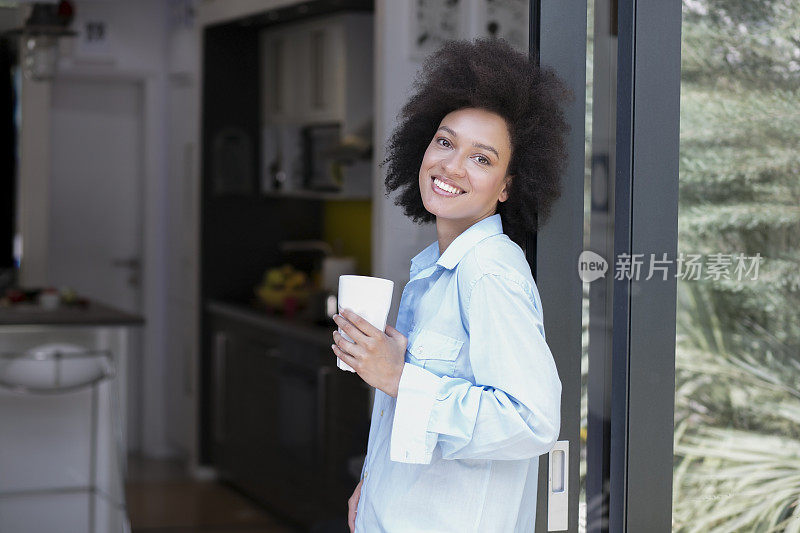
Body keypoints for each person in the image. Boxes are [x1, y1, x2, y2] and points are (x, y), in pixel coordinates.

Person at [330, 38, 572, 532]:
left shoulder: (489, 272)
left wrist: (398, 377)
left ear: (508, 186)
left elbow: (532, 422)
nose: (452, 166)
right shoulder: (438, 269)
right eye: (445, 141)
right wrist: (372, 483)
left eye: (482, 158)